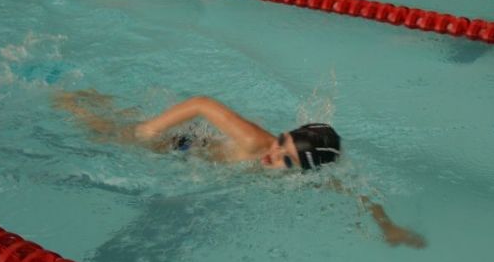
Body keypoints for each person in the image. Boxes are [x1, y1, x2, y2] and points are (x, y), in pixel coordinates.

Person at [54, 90, 426, 248]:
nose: (273, 155)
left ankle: (82, 98)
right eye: (281, 142)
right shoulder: (252, 142)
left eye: (286, 160)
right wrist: (151, 130)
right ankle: (60, 97)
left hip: (193, 152)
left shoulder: (307, 177)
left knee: (109, 117)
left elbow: (352, 189)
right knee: (101, 130)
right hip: (179, 145)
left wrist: (387, 226)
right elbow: (202, 103)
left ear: (302, 171)